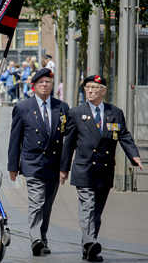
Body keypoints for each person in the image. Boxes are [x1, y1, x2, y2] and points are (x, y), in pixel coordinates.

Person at [60, 74, 143, 262]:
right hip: (83, 168)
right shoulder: (75, 113)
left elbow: (124, 136)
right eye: (87, 87)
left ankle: (87, 250)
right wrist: (64, 168)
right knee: (87, 207)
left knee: (96, 214)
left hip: (104, 171)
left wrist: (134, 155)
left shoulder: (115, 112)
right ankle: (91, 242)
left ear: (103, 91)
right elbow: (69, 143)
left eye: (94, 87)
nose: (89, 90)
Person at [8, 68, 69, 256]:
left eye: (48, 82)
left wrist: (64, 167)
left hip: (53, 163)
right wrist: (13, 166)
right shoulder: (23, 107)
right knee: (36, 201)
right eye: (41, 82)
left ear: (52, 86)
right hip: (32, 162)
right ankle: (35, 238)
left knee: (47, 205)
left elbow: (67, 140)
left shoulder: (62, 107)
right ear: (33, 86)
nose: (45, 85)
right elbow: (14, 139)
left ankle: (42, 238)